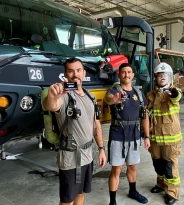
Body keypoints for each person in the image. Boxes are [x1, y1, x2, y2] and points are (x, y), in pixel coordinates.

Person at [43, 57, 107, 205]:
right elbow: (51, 106)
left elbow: (96, 123)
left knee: (81, 194)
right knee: (67, 200)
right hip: (71, 158)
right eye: (70, 71)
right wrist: (52, 96)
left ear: (84, 73)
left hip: (87, 156)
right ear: (65, 74)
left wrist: (101, 149)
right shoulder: (64, 95)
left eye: (78, 70)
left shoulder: (90, 96)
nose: (75, 74)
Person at [104, 63, 150, 205]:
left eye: (129, 72)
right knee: (116, 169)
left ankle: (133, 191)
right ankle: (112, 201)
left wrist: (146, 136)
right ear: (119, 75)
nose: (127, 75)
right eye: (123, 72)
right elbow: (108, 99)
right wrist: (115, 99)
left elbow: (145, 116)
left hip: (134, 136)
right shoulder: (114, 90)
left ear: (133, 75)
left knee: (132, 166)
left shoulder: (138, 93)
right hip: (118, 135)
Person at [146, 62, 183, 205]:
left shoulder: (173, 92)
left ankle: (172, 192)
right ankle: (161, 184)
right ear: (155, 77)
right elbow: (146, 116)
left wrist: (173, 93)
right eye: (159, 75)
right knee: (158, 164)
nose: (162, 77)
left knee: (169, 166)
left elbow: (177, 96)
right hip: (155, 138)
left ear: (170, 77)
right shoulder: (151, 95)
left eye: (165, 75)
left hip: (171, 139)